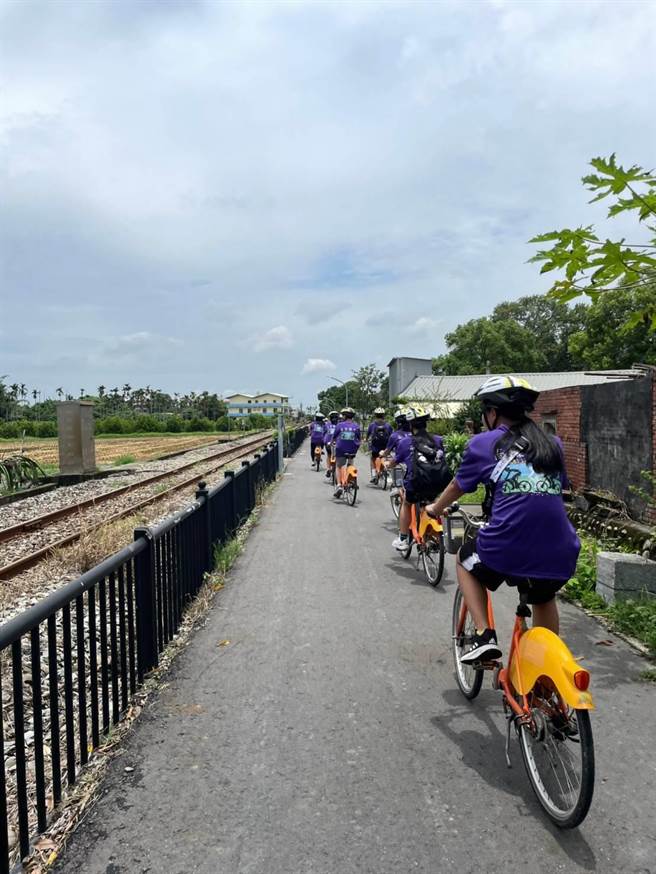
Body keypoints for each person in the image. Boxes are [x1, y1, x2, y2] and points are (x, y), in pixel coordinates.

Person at [425, 376, 580, 663]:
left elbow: (459, 486)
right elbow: (561, 489)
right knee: (543, 595)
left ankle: (484, 635)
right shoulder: (552, 442)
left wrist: (435, 508)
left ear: (492, 413)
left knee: (464, 559)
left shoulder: (484, 443)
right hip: (561, 547)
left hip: (508, 543)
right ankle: (547, 674)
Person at [391, 406, 447, 551]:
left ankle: (403, 538)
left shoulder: (405, 442)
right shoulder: (438, 440)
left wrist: (387, 464)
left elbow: (395, 461)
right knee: (431, 501)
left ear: (410, 424)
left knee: (406, 503)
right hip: (438, 483)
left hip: (416, 483)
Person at [332, 407, 361, 497]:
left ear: (344, 416)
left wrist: (332, 443)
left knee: (339, 466)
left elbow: (334, 437)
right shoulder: (356, 426)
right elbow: (359, 438)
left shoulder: (339, 425)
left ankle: (339, 485)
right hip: (353, 450)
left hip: (341, 449)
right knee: (350, 462)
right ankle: (351, 480)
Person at [366, 407, 393, 483]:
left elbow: (368, 435)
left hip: (375, 446)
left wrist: (366, 440)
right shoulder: (388, 425)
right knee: (384, 457)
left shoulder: (372, 425)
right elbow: (392, 436)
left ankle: (374, 474)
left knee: (373, 458)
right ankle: (383, 470)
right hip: (385, 447)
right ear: (383, 415)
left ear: (375, 415)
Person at [323, 411, 340, 478]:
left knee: (329, 455)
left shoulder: (327, 424)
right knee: (338, 457)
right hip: (338, 444)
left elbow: (324, 433)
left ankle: (328, 469)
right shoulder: (340, 425)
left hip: (328, 443)